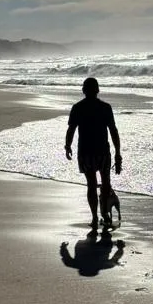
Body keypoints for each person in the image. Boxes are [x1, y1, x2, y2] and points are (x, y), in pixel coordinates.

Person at [65, 77, 122, 228]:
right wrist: (118, 152)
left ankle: (95, 217)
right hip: (103, 151)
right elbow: (113, 131)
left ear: (83, 90)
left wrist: (67, 146)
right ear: (98, 90)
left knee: (91, 184)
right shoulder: (105, 107)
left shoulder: (78, 107)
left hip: (86, 152)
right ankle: (104, 213)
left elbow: (71, 130)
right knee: (105, 184)